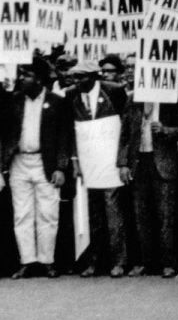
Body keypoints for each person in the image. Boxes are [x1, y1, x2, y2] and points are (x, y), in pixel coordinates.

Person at [3, 58, 70, 278]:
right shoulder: (13, 100)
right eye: (21, 74)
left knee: (48, 213)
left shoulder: (57, 102)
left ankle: (47, 260)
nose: (22, 78)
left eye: (27, 75)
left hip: (45, 163)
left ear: (39, 79)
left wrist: (60, 167)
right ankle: (27, 260)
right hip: (19, 162)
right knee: (22, 214)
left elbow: (64, 137)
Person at [66, 60, 131, 278]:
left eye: (80, 77)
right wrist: (75, 161)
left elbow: (125, 127)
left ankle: (119, 262)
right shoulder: (72, 95)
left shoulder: (115, 92)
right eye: (74, 77)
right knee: (92, 216)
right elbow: (72, 132)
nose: (76, 81)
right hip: (88, 163)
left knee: (113, 214)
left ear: (94, 76)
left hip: (110, 161)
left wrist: (122, 160)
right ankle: (94, 262)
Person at [124, 95, 178, 278]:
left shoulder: (171, 97)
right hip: (139, 161)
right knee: (141, 215)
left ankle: (168, 263)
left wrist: (165, 130)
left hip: (163, 162)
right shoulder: (133, 99)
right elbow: (125, 133)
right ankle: (145, 262)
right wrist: (123, 163)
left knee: (165, 215)